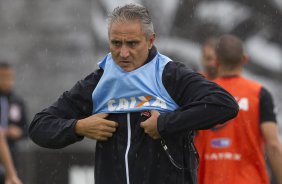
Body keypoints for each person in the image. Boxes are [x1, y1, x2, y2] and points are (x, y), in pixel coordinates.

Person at [28, 4, 239, 184]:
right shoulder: (98, 82)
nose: (123, 53)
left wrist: (165, 124)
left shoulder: (170, 75)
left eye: (132, 43)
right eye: (116, 43)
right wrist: (79, 127)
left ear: (150, 40)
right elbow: (39, 127)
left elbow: (224, 104)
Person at [195, 35, 282, 184]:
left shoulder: (201, 93)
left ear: (216, 61)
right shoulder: (260, 93)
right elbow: (273, 145)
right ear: (245, 59)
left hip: (211, 178)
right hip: (250, 180)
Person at [0, 62, 27, 184]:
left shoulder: (17, 101)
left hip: (11, 156)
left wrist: (18, 132)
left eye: (10, 78)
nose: (7, 81)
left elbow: (27, 128)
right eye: (3, 77)